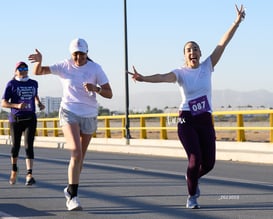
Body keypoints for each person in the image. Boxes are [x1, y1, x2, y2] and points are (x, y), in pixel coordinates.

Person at [128, 5, 246, 209]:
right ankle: (192, 196)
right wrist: (144, 78)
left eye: (195, 48)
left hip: (205, 120)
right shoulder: (180, 73)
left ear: (200, 53)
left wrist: (236, 22)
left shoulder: (208, 66)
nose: (192, 51)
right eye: (188, 50)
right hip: (186, 119)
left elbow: (223, 43)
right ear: (184, 56)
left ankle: (191, 177)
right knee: (194, 158)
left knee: (208, 164)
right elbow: (163, 77)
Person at [28, 38, 113, 211]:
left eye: (81, 54)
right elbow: (39, 72)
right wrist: (39, 61)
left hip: (89, 114)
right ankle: (73, 196)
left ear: (87, 53)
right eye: (75, 54)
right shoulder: (64, 66)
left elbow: (109, 93)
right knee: (75, 151)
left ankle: (69, 188)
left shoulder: (95, 68)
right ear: (71, 53)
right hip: (69, 112)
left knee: (80, 157)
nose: (78, 57)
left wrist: (95, 89)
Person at [1, 61, 45, 186]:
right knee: (15, 147)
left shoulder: (33, 83)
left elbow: (35, 95)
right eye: (20, 69)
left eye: (25, 68)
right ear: (15, 71)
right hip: (16, 119)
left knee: (28, 146)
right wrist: (16, 106)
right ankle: (14, 169)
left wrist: (39, 103)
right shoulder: (11, 84)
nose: (23, 70)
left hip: (30, 118)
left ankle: (29, 174)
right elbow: (3, 103)